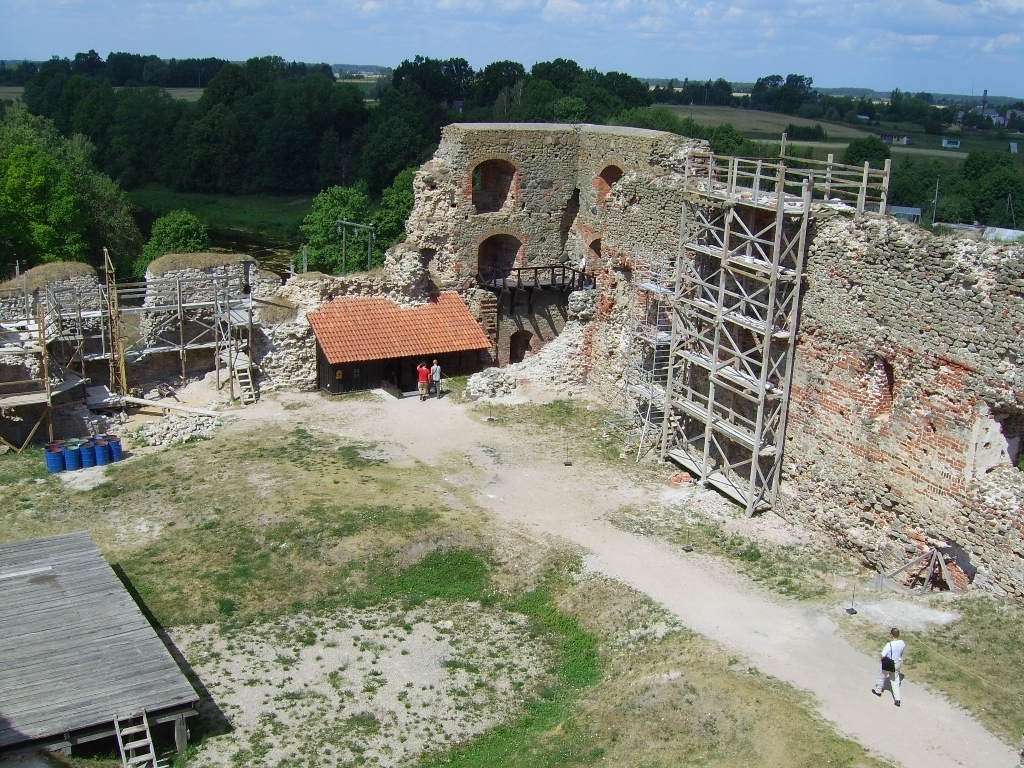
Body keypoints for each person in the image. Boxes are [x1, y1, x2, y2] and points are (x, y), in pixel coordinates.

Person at [872, 627, 906, 706]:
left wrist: (882, 660)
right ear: (898, 634)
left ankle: (878, 691)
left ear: (891, 635)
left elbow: (882, 655)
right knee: (895, 681)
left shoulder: (889, 644)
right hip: (897, 663)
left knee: (882, 677)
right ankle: (897, 699)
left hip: (889, 662)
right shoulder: (902, 643)